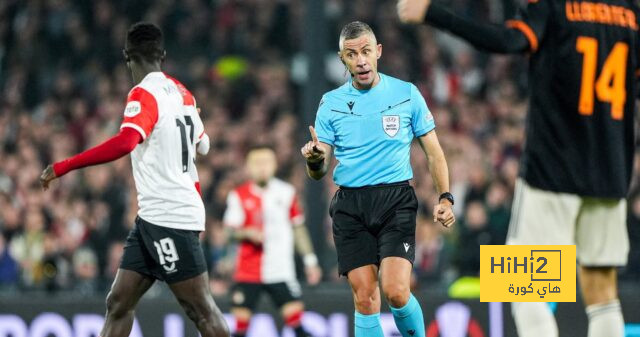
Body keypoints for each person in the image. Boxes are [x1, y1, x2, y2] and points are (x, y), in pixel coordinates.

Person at [397, 1, 637, 337]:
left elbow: (507, 41)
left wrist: (433, 12)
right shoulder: (628, 14)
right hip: (610, 171)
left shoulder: (555, 6)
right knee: (602, 293)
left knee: (523, 290)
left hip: (552, 170)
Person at [39, 22, 228, 337]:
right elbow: (203, 145)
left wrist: (64, 166)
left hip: (170, 217)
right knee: (118, 303)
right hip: (153, 217)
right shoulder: (184, 93)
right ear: (163, 55)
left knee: (201, 310)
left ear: (127, 57)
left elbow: (127, 141)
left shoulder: (143, 93)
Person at [300, 21, 455, 337]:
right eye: (351, 54)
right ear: (342, 59)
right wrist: (315, 161)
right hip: (350, 205)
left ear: (378, 52)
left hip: (395, 200)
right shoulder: (330, 104)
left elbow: (435, 153)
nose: (360, 60)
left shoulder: (406, 94)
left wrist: (445, 197)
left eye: (366, 51)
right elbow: (319, 170)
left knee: (396, 290)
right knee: (366, 297)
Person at [223, 145, 321, 337]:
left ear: (274, 165)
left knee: (298, 326)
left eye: (266, 162)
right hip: (248, 270)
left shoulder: (286, 192)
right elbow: (228, 232)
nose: (262, 167)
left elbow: (298, 228)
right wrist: (246, 233)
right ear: (249, 167)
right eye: (257, 163)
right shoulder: (238, 195)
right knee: (240, 328)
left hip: (281, 269)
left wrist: (311, 261)